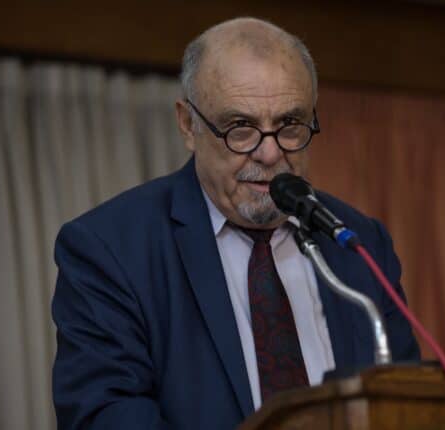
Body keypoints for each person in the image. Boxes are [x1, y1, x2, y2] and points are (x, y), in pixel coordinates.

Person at [51, 17, 420, 429]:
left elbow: (409, 404)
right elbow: (105, 415)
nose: (269, 154)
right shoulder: (111, 249)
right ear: (188, 125)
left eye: (290, 125)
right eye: (241, 128)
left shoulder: (357, 241)